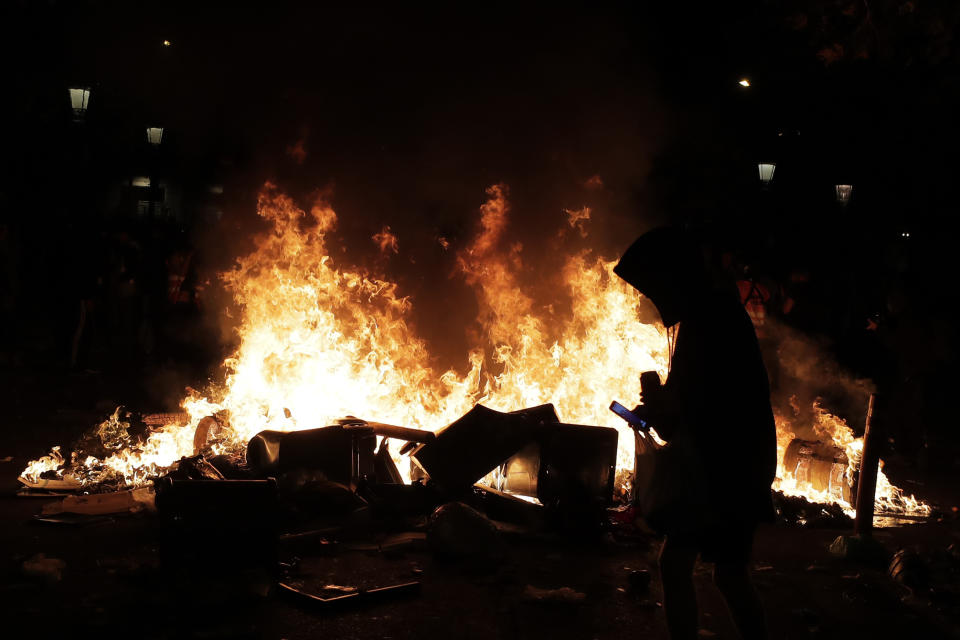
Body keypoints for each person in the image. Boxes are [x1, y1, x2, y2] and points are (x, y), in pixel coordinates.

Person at [614, 228, 776, 640]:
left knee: (692, 568)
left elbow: (699, 402)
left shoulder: (710, 319)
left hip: (722, 468)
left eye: (656, 287)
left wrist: (658, 407)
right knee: (729, 574)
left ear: (676, 279)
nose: (655, 299)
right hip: (735, 463)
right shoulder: (711, 312)